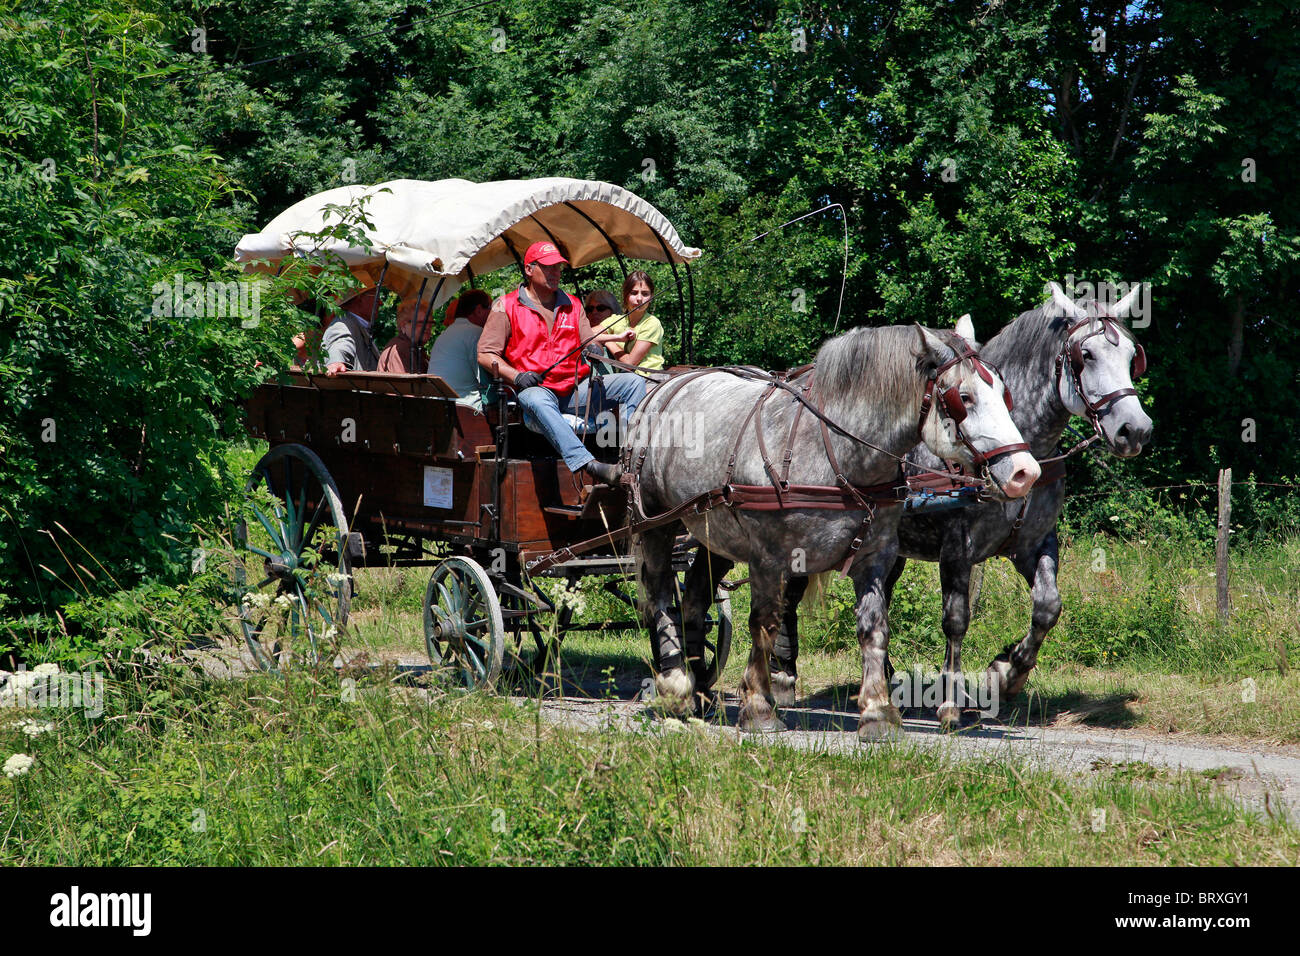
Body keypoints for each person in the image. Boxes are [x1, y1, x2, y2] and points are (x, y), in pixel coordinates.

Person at [477, 241, 644, 485]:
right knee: (534, 398)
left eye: (558, 268)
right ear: (529, 269)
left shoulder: (573, 305)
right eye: (548, 267)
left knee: (634, 382)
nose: (555, 273)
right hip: (536, 390)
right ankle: (589, 464)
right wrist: (517, 376)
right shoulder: (506, 306)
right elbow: (485, 354)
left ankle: (629, 457)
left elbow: (588, 341)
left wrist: (592, 348)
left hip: (576, 390)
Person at [428, 289, 492, 408]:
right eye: (489, 308)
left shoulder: (445, 334)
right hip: (464, 409)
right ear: (478, 310)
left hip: (437, 406)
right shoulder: (476, 333)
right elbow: (486, 382)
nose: (492, 313)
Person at [598, 271, 665, 373]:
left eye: (645, 294)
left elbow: (629, 364)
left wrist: (609, 342)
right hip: (624, 379)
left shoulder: (652, 323)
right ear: (625, 295)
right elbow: (587, 336)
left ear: (651, 297)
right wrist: (617, 338)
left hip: (649, 380)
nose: (639, 299)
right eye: (634, 293)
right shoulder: (616, 320)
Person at [321, 287, 382, 374]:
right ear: (359, 298)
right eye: (376, 297)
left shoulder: (354, 323)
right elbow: (340, 343)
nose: (380, 303)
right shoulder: (343, 325)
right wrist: (336, 361)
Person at [377, 296, 433, 373]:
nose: (427, 327)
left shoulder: (415, 348)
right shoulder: (400, 350)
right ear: (403, 325)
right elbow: (403, 384)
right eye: (421, 323)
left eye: (430, 323)